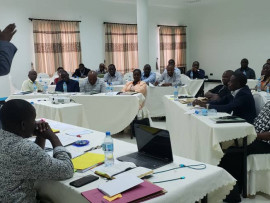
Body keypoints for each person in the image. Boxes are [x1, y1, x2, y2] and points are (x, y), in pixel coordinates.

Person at [0, 99, 73, 202]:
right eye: (33, 120)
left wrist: (41, 136)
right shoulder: (24, 149)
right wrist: (53, 137)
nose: (35, 123)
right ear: (23, 125)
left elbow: (33, 161)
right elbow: (66, 170)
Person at [219, 101, 270, 202]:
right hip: (255, 136)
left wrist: (251, 135)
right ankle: (225, 188)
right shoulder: (268, 103)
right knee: (226, 145)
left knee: (232, 153)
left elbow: (268, 135)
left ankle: (232, 194)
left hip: (265, 143)